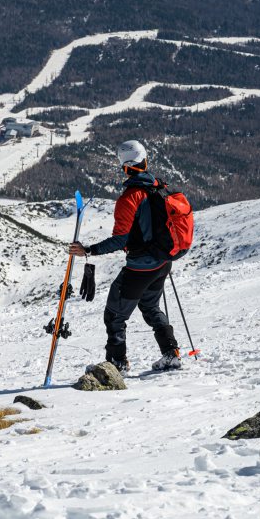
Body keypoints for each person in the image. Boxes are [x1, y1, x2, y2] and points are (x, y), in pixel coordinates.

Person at [68, 140, 181, 372]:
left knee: (114, 315)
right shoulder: (161, 188)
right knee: (150, 307)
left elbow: (121, 239)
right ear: (145, 161)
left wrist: (89, 250)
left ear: (125, 168)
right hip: (162, 263)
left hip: (140, 268)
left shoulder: (129, 198)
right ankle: (171, 353)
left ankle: (116, 364)